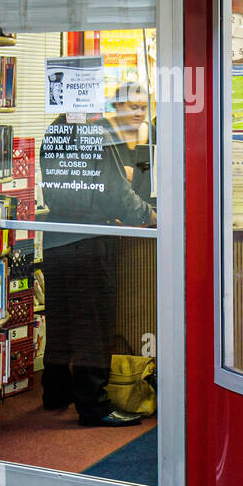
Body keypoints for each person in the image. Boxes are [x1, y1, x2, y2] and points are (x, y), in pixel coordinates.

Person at [39, 83, 156, 426]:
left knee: (60, 321)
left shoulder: (54, 131)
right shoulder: (95, 138)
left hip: (56, 238)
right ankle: (95, 405)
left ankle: (55, 391)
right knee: (94, 325)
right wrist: (149, 216)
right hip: (90, 240)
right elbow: (116, 195)